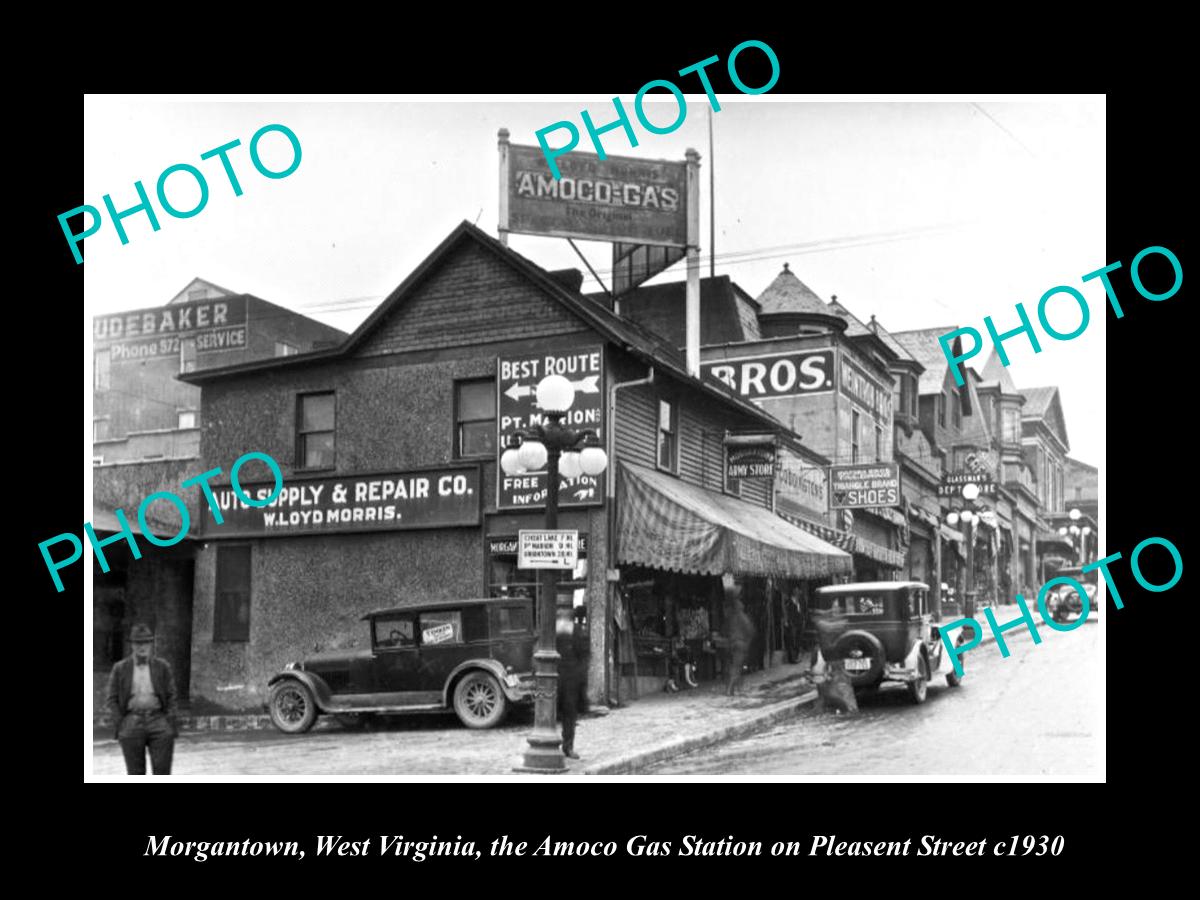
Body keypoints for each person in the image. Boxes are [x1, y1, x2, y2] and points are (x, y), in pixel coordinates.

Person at [106, 623, 179, 775]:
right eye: (138, 642)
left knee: (162, 771)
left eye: (146, 642)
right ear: (132, 645)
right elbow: (111, 699)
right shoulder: (120, 668)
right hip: (131, 722)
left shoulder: (162, 666)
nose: (142, 646)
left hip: (158, 721)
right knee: (135, 773)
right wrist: (121, 725)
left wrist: (169, 723)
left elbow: (172, 696)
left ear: (151, 644)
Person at [556, 607, 589, 760]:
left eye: (565, 615)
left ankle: (568, 746)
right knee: (549, 714)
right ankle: (551, 745)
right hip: (553, 678)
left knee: (569, 715)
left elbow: (584, 655)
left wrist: (580, 678)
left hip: (571, 680)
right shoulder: (551, 631)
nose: (563, 617)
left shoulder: (577, 631)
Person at [723, 575, 755, 696]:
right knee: (737, 666)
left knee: (733, 665)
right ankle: (730, 689)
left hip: (731, 642)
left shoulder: (731, 617)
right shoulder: (741, 616)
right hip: (740, 644)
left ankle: (735, 688)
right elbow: (750, 629)